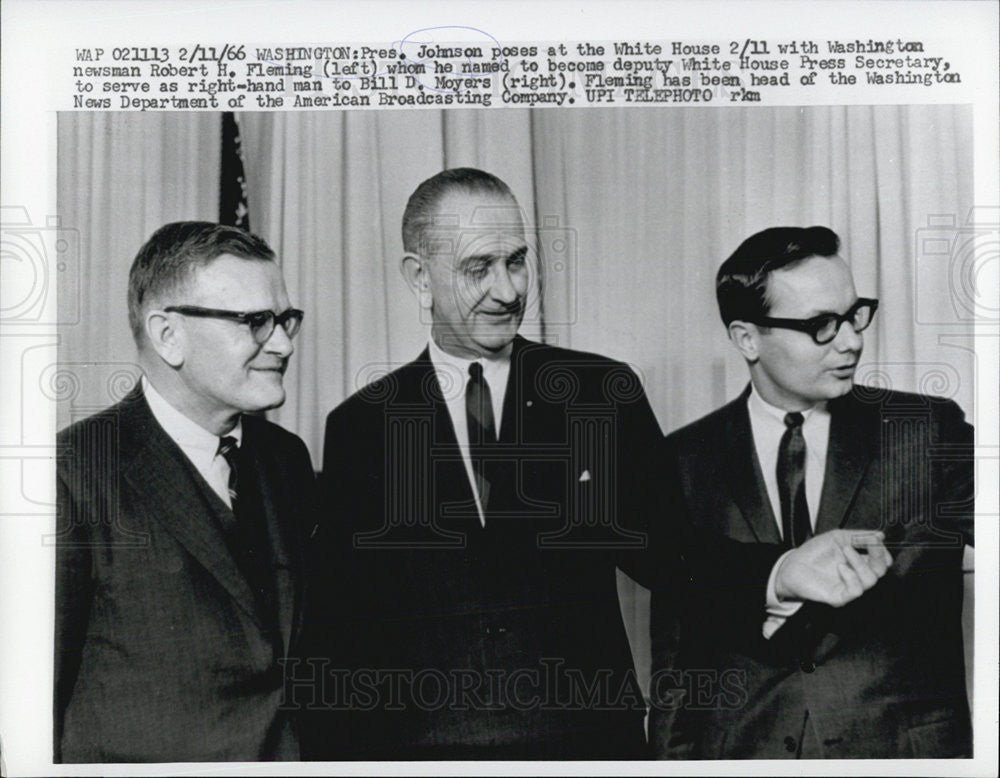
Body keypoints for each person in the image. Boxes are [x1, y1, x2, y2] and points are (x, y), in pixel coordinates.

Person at [300, 168, 669, 759]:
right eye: (479, 268)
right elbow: (342, 629)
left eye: (517, 261)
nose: (507, 290)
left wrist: (777, 574)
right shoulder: (360, 426)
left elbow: (676, 557)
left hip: (588, 747)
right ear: (420, 278)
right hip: (427, 752)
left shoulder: (601, 392)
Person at [648, 226, 974, 759]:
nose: (850, 340)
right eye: (821, 325)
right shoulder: (683, 460)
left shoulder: (927, 429)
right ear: (747, 337)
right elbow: (678, 659)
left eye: (854, 315)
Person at [55, 222, 316, 762]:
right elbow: (29, 704)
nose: (285, 343)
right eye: (255, 322)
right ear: (168, 335)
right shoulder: (70, 472)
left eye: (286, 319)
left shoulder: (287, 460)